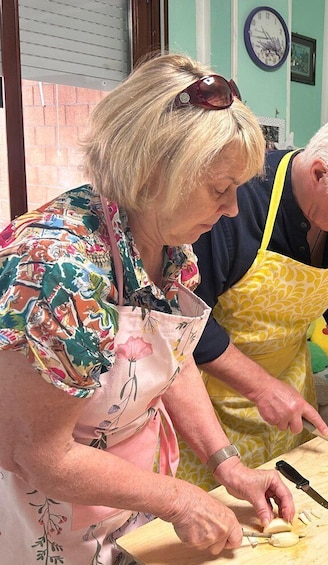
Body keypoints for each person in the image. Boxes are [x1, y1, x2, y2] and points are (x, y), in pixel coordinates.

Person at [0, 53, 296, 563]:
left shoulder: (168, 242)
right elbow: (40, 456)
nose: (230, 211)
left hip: (133, 500)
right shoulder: (59, 270)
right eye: (221, 190)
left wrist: (228, 465)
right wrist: (177, 497)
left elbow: (169, 360)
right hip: (52, 516)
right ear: (153, 172)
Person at [175, 112, 328, 490]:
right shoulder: (237, 200)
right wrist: (260, 387)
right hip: (207, 402)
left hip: (291, 395)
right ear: (320, 174)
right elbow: (189, 320)